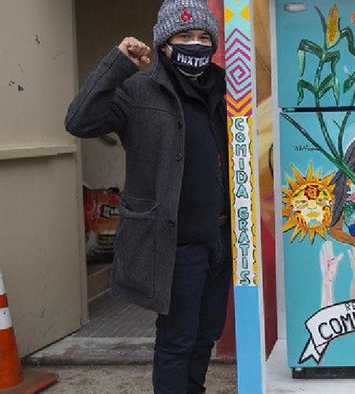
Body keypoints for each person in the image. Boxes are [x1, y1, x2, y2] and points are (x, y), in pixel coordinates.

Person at [65, 1, 231, 392]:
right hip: (174, 245)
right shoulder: (138, 90)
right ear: (164, 43)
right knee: (177, 342)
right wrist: (118, 62)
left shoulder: (226, 87)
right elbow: (79, 120)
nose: (195, 44)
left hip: (220, 240)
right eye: (184, 36)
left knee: (206, 337)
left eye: (203, 37)